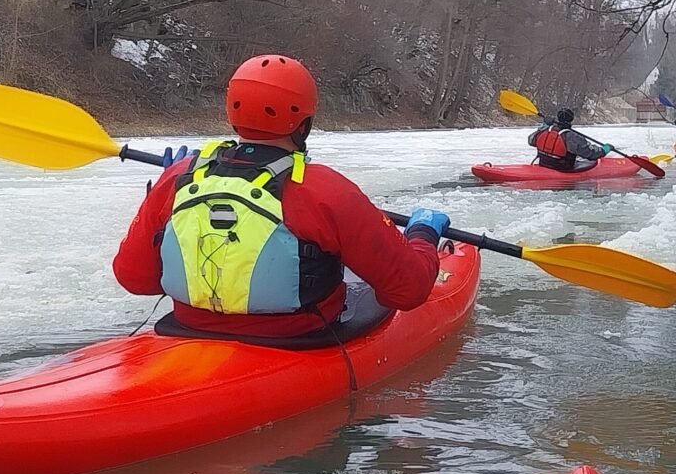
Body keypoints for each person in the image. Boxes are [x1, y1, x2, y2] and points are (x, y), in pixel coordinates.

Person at [113, 54, 450, 338]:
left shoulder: (179, 177)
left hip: (189, 329)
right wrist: (422, 235)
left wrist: (166, 188)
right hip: (299, 340)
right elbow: (408, 289)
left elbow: (135, 279)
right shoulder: (326, 190)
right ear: (303, 125)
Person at [528, 108, 612, 172]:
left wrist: (544, 126)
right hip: (563, 169)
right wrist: (604, 150)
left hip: (544, 165)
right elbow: (592, 154)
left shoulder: (545, 131)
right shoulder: (571, 137)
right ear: (571, 119)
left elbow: (531, 140)